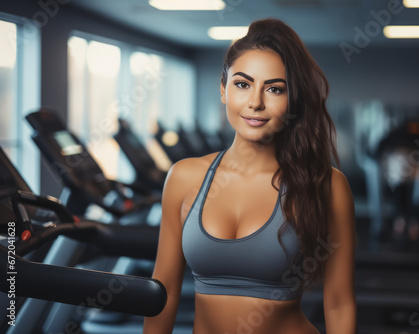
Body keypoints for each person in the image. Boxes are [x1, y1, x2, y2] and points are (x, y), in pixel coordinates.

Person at [143, 18, 356, 334]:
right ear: (223, 90)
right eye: (243, 84)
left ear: (292, 99)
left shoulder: (326, 186)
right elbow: (164, 292)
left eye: (274, 89)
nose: (255, 102)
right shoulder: (184, 178)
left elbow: (338, 303)